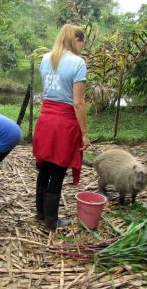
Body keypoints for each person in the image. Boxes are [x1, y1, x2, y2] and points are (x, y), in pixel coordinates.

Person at [33, 23, 90, 230]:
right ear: (77, 40)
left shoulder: (46, 58)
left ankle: (40, 212)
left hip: (46, 118)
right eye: (82, 43)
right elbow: (78, 103)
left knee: (45, 166)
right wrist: (84, 132)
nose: (82, 47)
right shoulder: (78, 63)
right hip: (64, 122)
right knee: (58, 169)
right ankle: (51, 220)